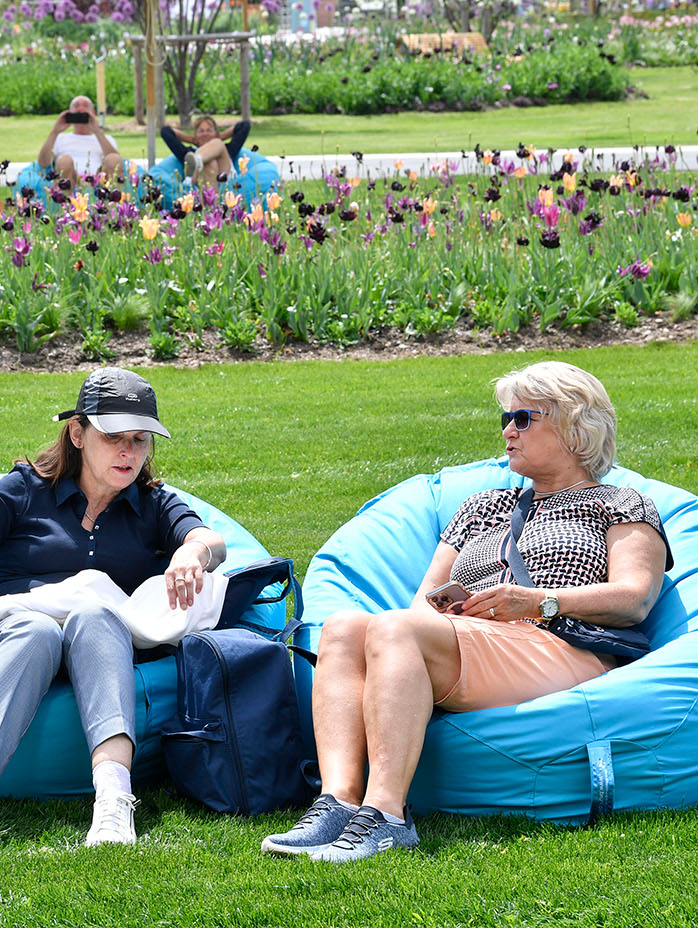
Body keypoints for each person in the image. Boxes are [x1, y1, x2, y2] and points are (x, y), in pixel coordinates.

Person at [263, 361, 671, 862]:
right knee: (346, 627)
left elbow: (636, 597)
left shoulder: (620, 502)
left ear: (573, 425)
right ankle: (338, 804)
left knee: (396, 630)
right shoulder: (484, 505)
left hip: (559, 645)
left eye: (523, 418)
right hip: (474, 641)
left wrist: (538, 601)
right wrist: (455, 606)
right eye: (505, 418)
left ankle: (387, 816)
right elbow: (423, 604)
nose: (507, 430)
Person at [0, 367, 227, 854]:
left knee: (95, 616)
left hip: (98, 640)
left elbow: (207, 538)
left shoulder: (152, 504)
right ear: (78, 433)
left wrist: (193, 553)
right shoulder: (26, 489)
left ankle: (113, 802)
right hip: (19, 625)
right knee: (37, 629)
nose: (129, 453)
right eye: (114, 438)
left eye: (140, 440)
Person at [37, 95, 123, 184]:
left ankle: (114, 196)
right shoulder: (59, 138)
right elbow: (43, 163)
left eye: (85, 106)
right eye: (76, 106)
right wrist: (55, 131)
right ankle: (68, 196)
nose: (81, 109)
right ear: (70, 113)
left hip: (100, 182)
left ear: (93, 113)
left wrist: (97, 132)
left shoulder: (105, 138)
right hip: (69, 181)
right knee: (64, 160)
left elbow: (117, 163)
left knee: (113, 158)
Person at [160, 115, 251, 186]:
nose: (205, 134)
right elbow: (166, 131)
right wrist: (193, 140)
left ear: (216, 133)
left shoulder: (228, 149)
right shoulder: (188, 153)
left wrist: (218, 138)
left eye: (209, 130)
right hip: (197, 182)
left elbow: (244, 125)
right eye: (201, 131)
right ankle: (198, 160)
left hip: (224, 180)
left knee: (217, 144)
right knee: (209, 162)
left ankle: (198, 160)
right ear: (195, 135)